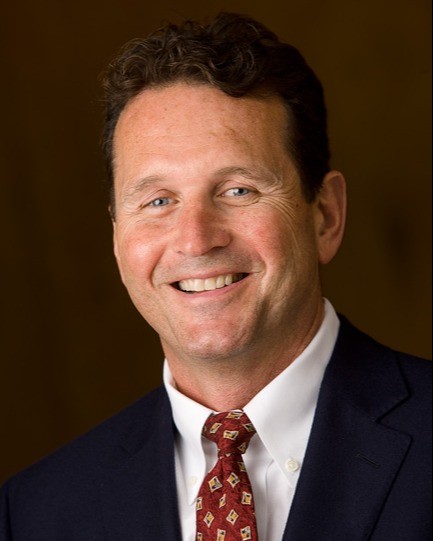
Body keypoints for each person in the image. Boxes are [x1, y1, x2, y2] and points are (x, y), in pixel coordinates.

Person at [0, 12, 431, 541]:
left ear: (325, 215)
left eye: (238, 190)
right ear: (116, 236)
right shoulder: (35, 513)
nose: (196, 240)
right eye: (158, 201)